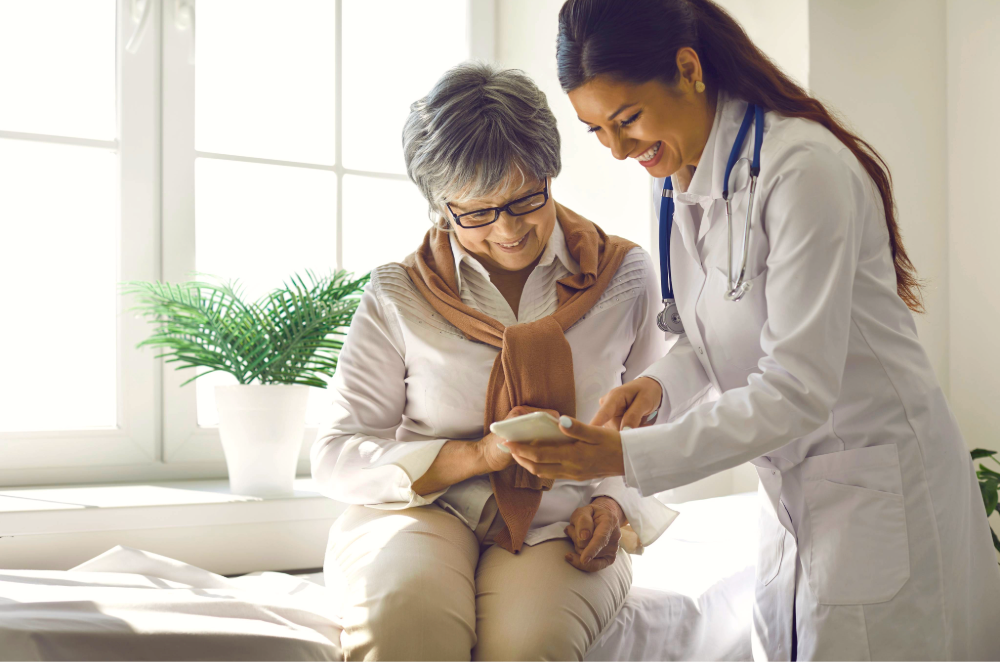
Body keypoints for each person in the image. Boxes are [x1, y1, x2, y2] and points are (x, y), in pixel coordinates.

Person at [505, 1, 1000, 660]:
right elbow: (712, 336)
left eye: (627, 119)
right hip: (794, 491)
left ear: (688, 68)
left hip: (882, 486)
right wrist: (657, 387)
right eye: (597, 131)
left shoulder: (802, 170)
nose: (621, 150)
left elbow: (796, 389)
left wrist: (621, 458)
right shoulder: (672, 177)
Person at [311, 62, 675, 661]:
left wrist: (612, 502)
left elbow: (658, 419)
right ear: (440, 205)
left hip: (564, 518)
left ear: (550, 174)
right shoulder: (398, 293)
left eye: (526, 200)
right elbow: (337, 453)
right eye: (477, 212)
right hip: (423, 509)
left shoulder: (624, 276)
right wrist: (476, 457)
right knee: (407, 623)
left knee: (531, 647)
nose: (508, 230)